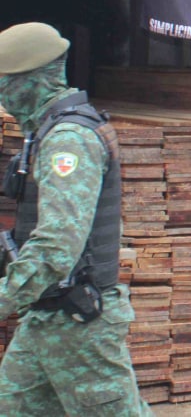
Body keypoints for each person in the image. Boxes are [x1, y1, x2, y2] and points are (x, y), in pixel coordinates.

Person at [0, 22, 152, 415]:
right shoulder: (45, 132)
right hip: (45, 321)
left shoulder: (68, 141)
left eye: (4, 83)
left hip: (80, 327)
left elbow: (57, 246)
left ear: (29, 81)